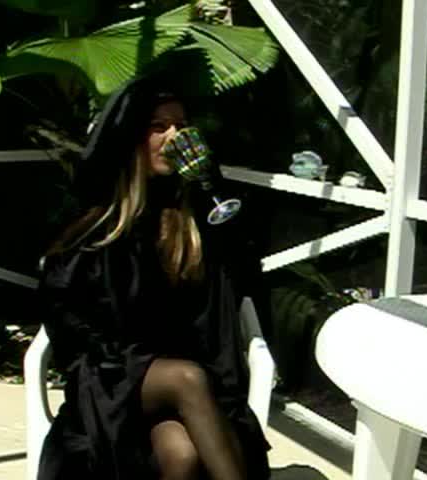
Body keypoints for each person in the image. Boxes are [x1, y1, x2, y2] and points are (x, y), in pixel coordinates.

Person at [36, 74, 271, 480]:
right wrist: (122, 360)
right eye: (158, 127)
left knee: (182, 454)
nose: (174, 137)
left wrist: (210, 185)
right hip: (112, 376)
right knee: (186, 378)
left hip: (187, 385)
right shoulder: (98, 223)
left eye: (182, 126)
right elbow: (65, 315)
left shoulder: (192, 219)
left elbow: (241, 275)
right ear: (130, 137)